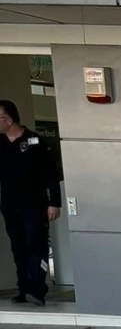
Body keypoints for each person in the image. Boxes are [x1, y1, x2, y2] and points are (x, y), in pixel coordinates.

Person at [0, 99, 61, 307]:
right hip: (10, 205)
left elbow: (51, 175)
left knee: (37, 246)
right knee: (18, 248)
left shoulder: (34, 141)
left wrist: (54, 202)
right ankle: (23, 288)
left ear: (8, 120)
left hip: (35, 205)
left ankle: (37, 289)